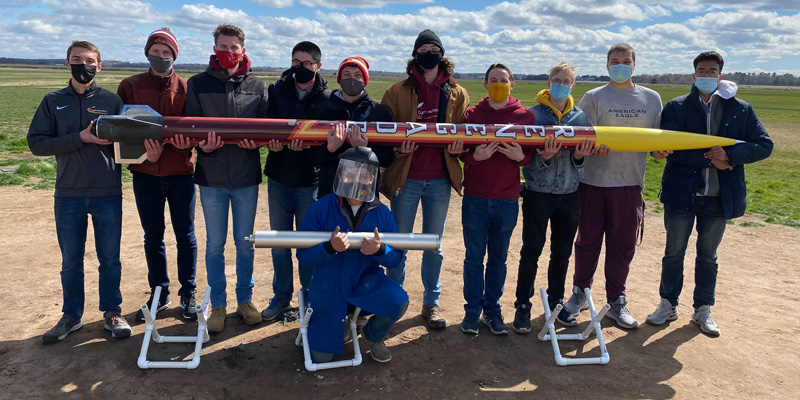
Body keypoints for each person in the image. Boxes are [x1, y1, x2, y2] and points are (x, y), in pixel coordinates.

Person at [645, 51, 773, 336]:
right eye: (701, 70)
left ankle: (703, 309)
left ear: (720, 75)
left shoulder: (740, 109)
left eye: (712, 70)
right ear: (694, 75)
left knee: (707, 255)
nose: (706, 75)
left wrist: (729, 155)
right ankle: (667, 303)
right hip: (681, 194)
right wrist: (710, 159)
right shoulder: (676, 107)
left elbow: (765, 145)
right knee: (673, 252)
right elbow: (670, 150)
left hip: (718, 196)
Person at [29, 40, 129, 342]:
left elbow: (127, 141)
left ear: (99, 66)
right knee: (71, 261)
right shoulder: (52, 101)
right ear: (66, 63)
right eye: (76, 59)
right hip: (68, 193)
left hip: (108, 192)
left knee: (109, 258)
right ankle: (71, 316)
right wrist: (80, 138)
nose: (82, 65)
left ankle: (112, 312)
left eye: (89, 60)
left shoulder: (113, 102)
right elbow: (37, 144)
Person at [563, 43, 663, 329]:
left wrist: (660, 152)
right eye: (614, 61)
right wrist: (591, 149)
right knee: (586, 242)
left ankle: (616, 301)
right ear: (607, 65)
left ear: (634, 64)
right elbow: (582, 139)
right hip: (593, 183)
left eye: (626, 61)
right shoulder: (593, 97)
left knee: (622, 246)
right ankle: (580, 294)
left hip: (629, 183)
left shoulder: (651, 98)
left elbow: (655, 143)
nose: (620, 65)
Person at [380, 29, 469, 329]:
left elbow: (462, 131)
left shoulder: (457, 92)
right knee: (398, 244)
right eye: (424, 48)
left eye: (434, 48)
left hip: (439, 181)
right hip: (406, 179)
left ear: (442, 55)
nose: (429, 53)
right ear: (415, 55)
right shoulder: (396, 91)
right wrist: (396, 146)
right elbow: (384, 134)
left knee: (435, 245)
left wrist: (459, 148)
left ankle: (431, 303)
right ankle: (393, 301)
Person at [185, 24, 268, 332]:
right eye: (223, 46)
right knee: (215, 244)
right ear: (214, 47)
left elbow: (265, 128)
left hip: (246, 178)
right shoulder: (198, 84)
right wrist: (200, 144)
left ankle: (245, 300)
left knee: (245, 243)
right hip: (212, 179)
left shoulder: (258, 86)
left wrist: (256, 142)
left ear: (242, 50)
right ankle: (218, 305)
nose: (229, 52)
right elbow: (190, 127)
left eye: (234, 48)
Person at [117, 27, 199, 322]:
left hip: (181, 174)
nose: (160, 57)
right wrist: (147, 157)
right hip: (145, 174)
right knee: (153, 235)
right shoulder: (130, 85)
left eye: (166, 53)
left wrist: (186, 144)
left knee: (185, 235)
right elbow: (123, 130)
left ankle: (188, 292)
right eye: (156, 52)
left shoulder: (189, 89)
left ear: (175, 55)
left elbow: (195, 129)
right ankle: (160, 291)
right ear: (147, 52)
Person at [297, 147, 408, 364]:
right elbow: (304, 257)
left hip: (364, 282)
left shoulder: (382, 213)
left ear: (372, 179)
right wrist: (329, 248)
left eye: (364, 175)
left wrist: (380, 251)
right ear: (339, 175)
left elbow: (396, 258)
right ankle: (338, 323)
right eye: (350, 173)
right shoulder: (319, 209)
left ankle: (372, 335)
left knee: (398, 301)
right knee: (322, 358)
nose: (356, 179)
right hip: (329, 286)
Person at [512, 62, 596, 333]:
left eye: (567, 81)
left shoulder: (580, 118)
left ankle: (557, 304)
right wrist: (544, 159)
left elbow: (578, 160)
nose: (561, 84)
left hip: (569, 195)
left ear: (573, 86)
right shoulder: (532, 116)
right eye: (556, 80)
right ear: (548, 84)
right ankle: (522, 306)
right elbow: (525, 159)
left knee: (562, 253)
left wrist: (580, 156)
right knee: (531, 252)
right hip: (538, 194)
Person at [458, 64, 534, 335]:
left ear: (512, 83)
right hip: (476, 197)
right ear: (485, 84)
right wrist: (474, 158)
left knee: (498, 259)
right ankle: (472, 311)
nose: (498, 84)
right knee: (473, 258)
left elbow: (532, 155)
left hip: (507, 199)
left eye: (503, 80)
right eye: (493, 80)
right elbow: (461, 152)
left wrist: (520, 158)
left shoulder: (525, 116)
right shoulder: (473, 115)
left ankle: (493, 310)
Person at [261, 41, 331, 321]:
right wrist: (272, 143)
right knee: (279, 242)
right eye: (295, 63)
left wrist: (310, 149)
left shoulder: (328, 99)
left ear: (318, 66)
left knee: (308, 243)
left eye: (305, 64)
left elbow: (328, 143)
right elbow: (266, 125)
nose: (299, 69)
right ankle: (281, 296)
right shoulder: (277, 90)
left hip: (308, 180)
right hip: (278, 176)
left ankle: (309, 297)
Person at [313, 56, 394, 199]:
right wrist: (329, 149)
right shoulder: (322, 110)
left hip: (366, 193)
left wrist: (366, 149)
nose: (352, 79)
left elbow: (388, 158)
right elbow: (312, 157)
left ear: (365, 80)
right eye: (347, 75)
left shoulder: (378, 112)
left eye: (358, 75)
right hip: (330, 190)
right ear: (339, 79)